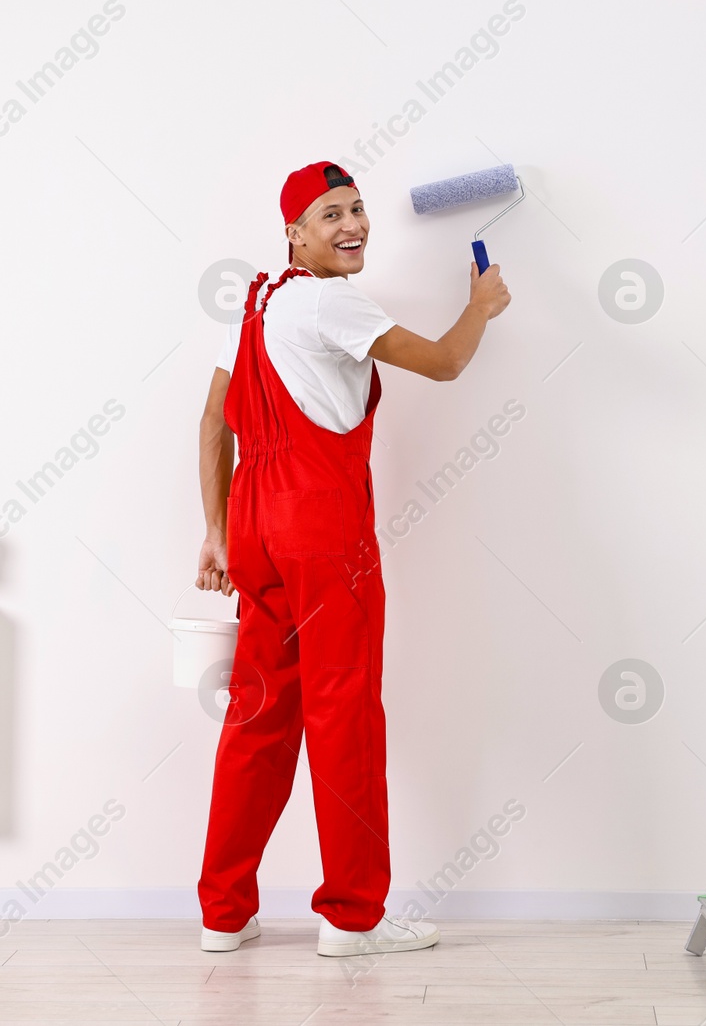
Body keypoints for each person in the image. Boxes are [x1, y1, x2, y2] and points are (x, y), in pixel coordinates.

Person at [194, 161, 511, 957]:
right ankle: (352, 917)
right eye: (331, 214)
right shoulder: (333, 299)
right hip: (322, 526)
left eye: (359, 209)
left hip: (258, 527)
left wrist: (218, 530)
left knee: (257, 714)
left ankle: (223, 914)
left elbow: (213, 420)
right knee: (344, 716)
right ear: (295, 233)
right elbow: (443, 362)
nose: (352, 225)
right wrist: (480, 308)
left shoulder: (256, 300)